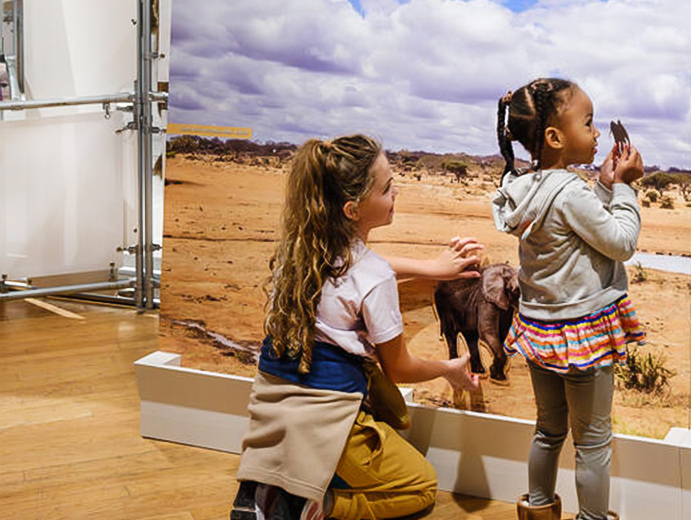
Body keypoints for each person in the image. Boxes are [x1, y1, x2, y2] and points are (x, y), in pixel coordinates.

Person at [230, 134, 483, 520]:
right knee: (421, 485)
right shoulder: (374, 276)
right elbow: (399, 369)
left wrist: (430, 267)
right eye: (386, 187)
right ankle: (318, 505)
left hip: (272, 409)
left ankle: (275, 484)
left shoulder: (296, 255)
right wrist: (448, 370)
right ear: (352, 209)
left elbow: (358, 270)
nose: (395, 191)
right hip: (329, 419)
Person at [492, 78, 645, 520]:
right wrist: (625, 189)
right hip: (582, 335)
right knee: (593, 440)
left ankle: (537, 509)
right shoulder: (570, 192)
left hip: (540, 331)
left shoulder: (525, 188)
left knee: (548, 429)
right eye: (589, 122)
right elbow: (619, 242)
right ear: (555, 137)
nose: (597, 133)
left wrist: (601, 186)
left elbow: (572, 232)